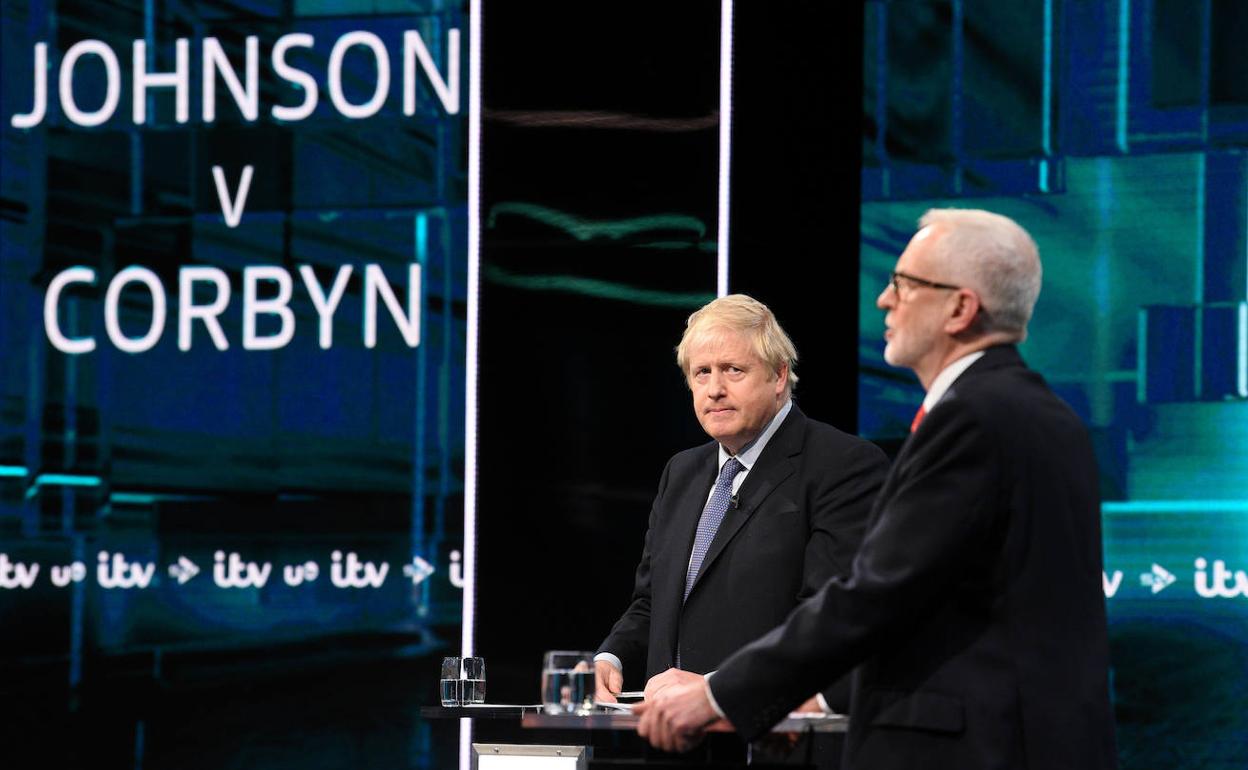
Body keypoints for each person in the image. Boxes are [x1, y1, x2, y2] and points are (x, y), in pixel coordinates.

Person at [636, 209, 1118, 770]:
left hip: (981, 747)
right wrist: (811, 699)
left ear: (960, 308)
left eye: (905, 285)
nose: (884, 301)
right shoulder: (1042, 412)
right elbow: (943, 604)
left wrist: (721, 695)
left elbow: (877, 593)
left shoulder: (973, 420)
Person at [595, 294, 888, 722]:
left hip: (775, 734)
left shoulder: (843, 466)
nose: (715, 388)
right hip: (676, 738)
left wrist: (718, 689)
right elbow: (652, 601)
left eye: (734, 370)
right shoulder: (682, 472)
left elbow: (828, 617)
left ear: (778, 376)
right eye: (702, 373)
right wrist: (612, 658)